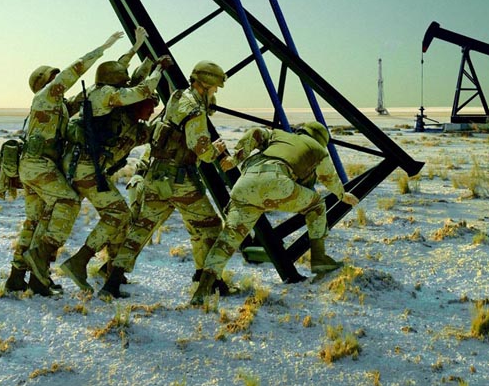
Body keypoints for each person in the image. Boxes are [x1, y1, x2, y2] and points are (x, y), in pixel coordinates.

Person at [4, 30, 123, 296]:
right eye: (54, 77)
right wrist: (104, 46)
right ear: (45, 83)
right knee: (68, 202)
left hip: (34, 167)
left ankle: (19, 278)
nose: (59, 80)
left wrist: (126, 58)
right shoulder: (45, 97)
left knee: (36, 221)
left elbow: (94, 93)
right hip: (39, 165)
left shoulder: (58, 106)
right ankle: (41, 259)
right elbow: (76, 69)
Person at [190, 121, 359, 305]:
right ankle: (319, 258)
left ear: (301, 131)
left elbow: (256, 132)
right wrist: (342, 195)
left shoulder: (279, 135)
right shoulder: (318, 149)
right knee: (317, 204)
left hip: (244, 185)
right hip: (276, 183)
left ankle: (202, 289)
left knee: (228, 240)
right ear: (321, 140)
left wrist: (235, 158)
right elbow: (329, 178)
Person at [99, 61, 228, 299]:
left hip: (156, 176)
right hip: (180, 181)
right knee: (210, 226)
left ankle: (112, 282)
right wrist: (216, 150)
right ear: (205, 84)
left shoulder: (177, 98)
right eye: (215, 87)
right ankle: (209, 281)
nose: (215, 92)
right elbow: (202, 152)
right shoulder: (195, 111)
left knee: (141, 229)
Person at [59, 26, 173, 292]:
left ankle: (110, 270)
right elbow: (139, 88)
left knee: (120, 220)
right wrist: (159, 68)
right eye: (150, 106)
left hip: (87, 168)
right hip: (85, 168)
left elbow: (128, 76)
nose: (151, 111)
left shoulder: (129, 123)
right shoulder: (108, 100)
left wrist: (140, 52)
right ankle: (79, 262)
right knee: (118, 213)